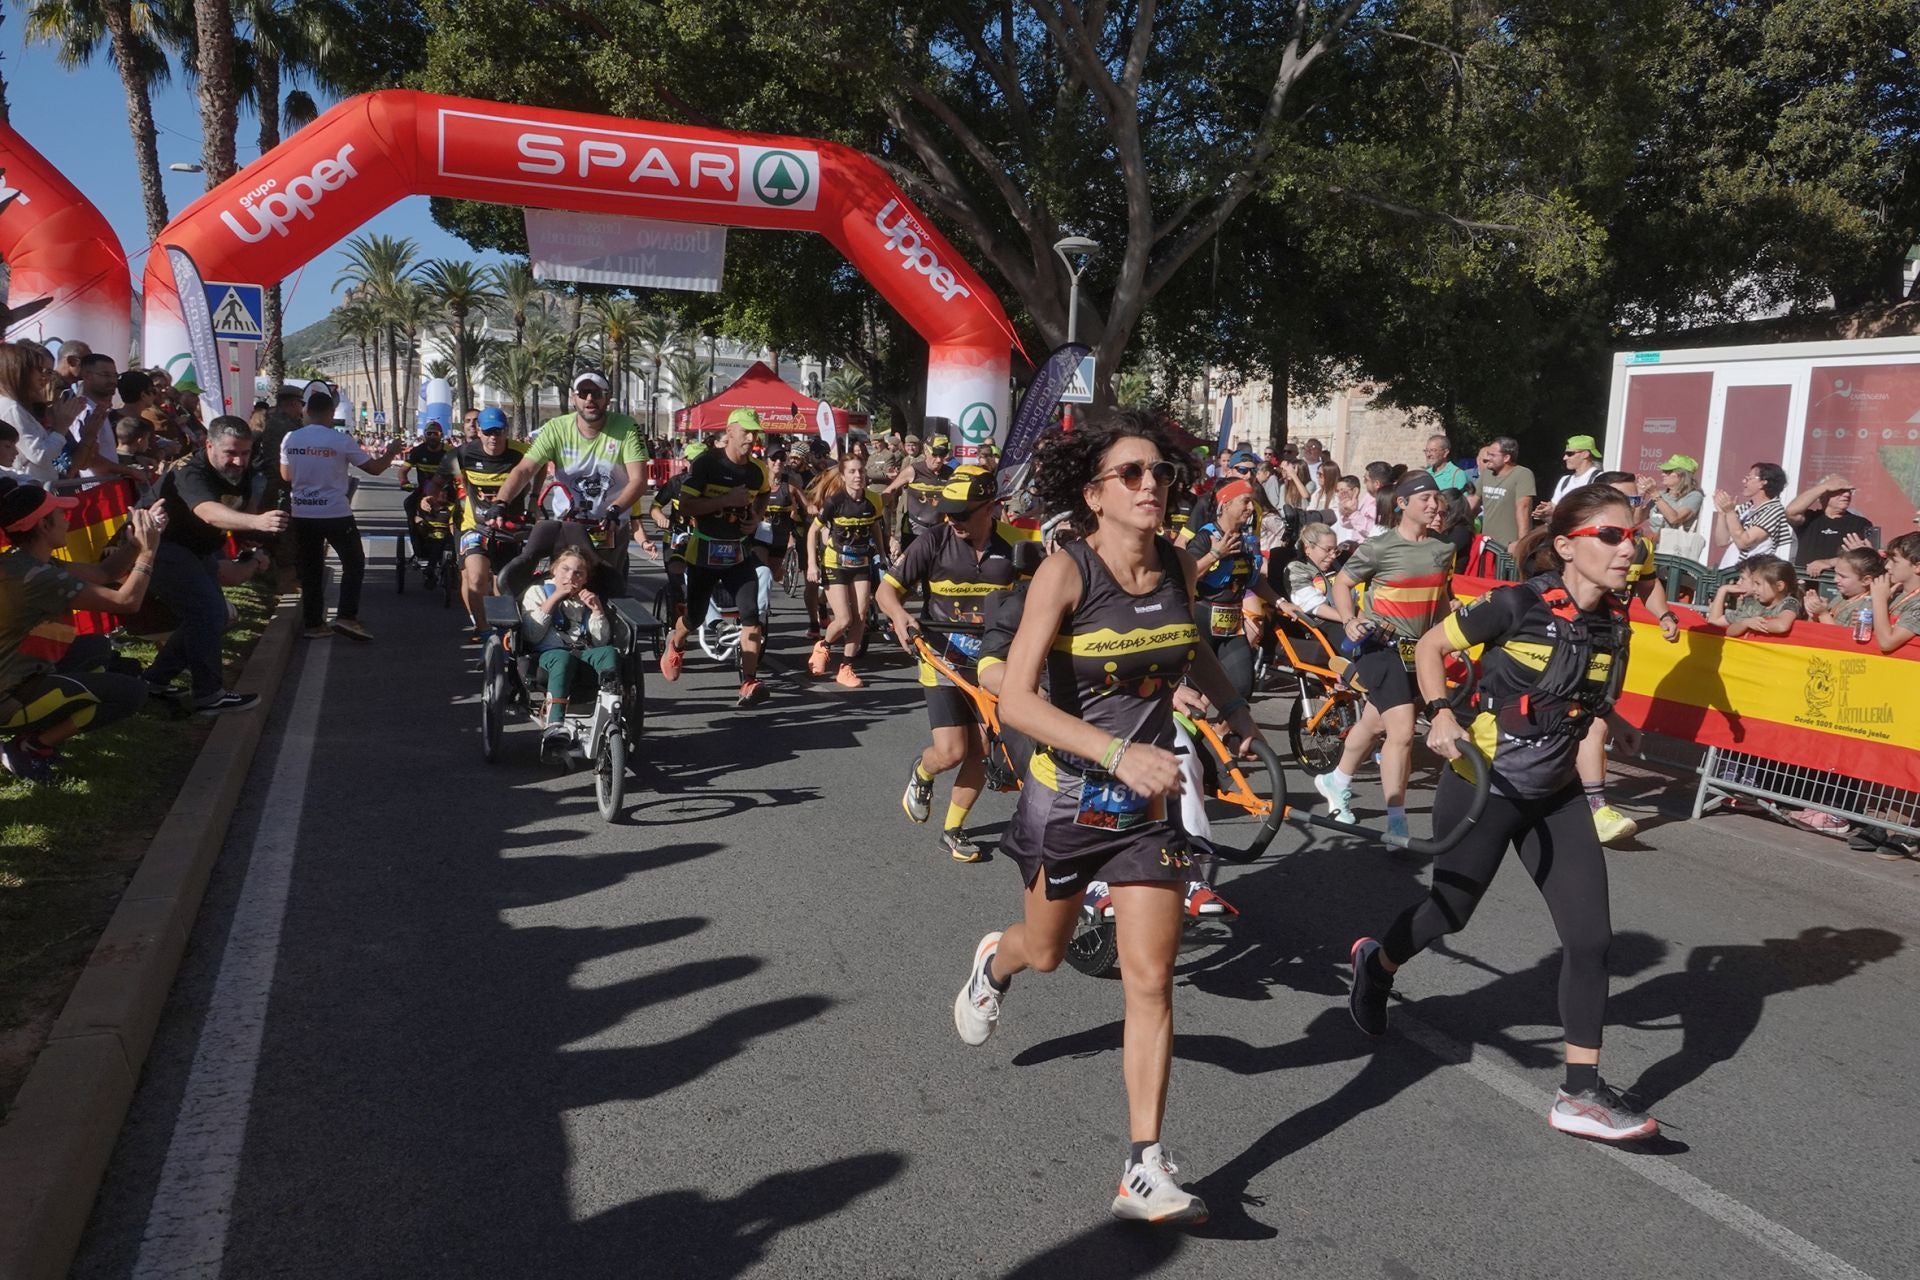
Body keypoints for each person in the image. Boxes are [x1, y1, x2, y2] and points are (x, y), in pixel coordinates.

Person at [949, 411, 1263, 1225]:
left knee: (1151, 981)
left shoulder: (1178, 566)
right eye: (1132, 474)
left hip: (1146, 813)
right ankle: (996, 962)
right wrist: (1117, 753)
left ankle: (1142, 1166)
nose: (1152, 484)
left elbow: (1188, 645)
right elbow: (1014, 699)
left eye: (1159, 472)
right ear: (1095, 495)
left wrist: (1235, 711)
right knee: (1046, 953)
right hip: (1067, 799)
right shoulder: (1065, 571)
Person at [1350, 482, 1658, 1143]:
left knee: (1591, 941)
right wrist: (1438, 718)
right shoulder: (1517, 603)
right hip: (1483, 782)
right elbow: (1432, 647)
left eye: (1634, 536)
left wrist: (1616, 721)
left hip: (1557, 794)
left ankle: (1580, 1092)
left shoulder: (1615, 620)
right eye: (1612, 535)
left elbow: (1581, 689)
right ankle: (1377, 965)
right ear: (1570, 545)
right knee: (1450, 913)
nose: (1628, 547)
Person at [878, 466, 1019, 862]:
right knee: (952, 751)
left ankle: (953, 829)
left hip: (989, 663)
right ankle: (923, 771)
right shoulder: (934, 540)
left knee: (980, 750)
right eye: (949, 511)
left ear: (990, 508)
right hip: (940, 658)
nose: (952, 520)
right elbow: (886, 591)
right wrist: (900, 616)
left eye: (962, 512)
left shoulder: (1013, 550)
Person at [1313, 471, 1457, 842]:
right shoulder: (1380, 546)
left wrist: (1449, 633)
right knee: (1403, 732)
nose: (1433, 504)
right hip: (1379, 646)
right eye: (1423, 498)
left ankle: (1336, 779)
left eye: (1435, 498)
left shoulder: (1443, 550)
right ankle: (1397, 820)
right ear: (1402, 504)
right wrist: (1348, 620)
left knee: (1375, 723)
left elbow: (1439, 598)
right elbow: (1343, 583)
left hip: (1419, 652)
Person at [0, 483, 164, 783]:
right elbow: (127, 602)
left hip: (18, 675)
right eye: (59, 513)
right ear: (43, 524)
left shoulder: (23, 561)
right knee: (132, 693)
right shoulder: (38, 577)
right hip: (8, 697)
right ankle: (31, 746)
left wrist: (136, 543)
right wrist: (148, 554)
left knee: (95, 648)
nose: (67, 519)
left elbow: (103, 574)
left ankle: (33, 731)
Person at [144, 416, 285, 712]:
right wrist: (256, 521)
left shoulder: (246, 470)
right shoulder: (189, 471)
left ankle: (154, 681)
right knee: (207, 611)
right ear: (209, 445)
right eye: (231, 453)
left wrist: (249, 535)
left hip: (197, 548)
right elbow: (208, 511)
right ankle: (209, 695)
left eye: (244, 453)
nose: (238, 461)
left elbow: (237, 507)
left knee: (214, 615)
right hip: (160, 545)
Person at [491, 371, 651, 601]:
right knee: (566, 588)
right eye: (583, 393)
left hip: (609, 528)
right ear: (573, 399)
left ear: (607, 397)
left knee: (605, 593)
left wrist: (615, 509)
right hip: (568, 526)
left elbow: (638, 479)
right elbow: (525, 470)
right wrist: (500, 502)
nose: (589, 399)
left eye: (596, 393)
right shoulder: (556, 428)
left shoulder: (626, 427)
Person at [659, 409, 771, 706]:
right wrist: (726, 501)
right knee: (694, 617)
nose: (751, 437)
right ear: (730, 431)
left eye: (755, 432)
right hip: (705, 551)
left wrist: (756, 517)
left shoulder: (757, 470)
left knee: (751, 617)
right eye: (746, 432)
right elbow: (686, 505)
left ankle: (748, 681)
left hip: (738, 553)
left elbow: (764, 493)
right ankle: (676, 641)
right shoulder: (707, 463)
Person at [281, 391, 401, 640]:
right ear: (331, 413)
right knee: (354, 563)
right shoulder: (339, 440)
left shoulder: (290, 438)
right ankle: (346, 616)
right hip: (334, 512)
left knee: (311, 569)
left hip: (302, 512)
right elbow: (375, 469)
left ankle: (314, 624)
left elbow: (286, 476)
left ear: (306, 412)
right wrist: (390, 453)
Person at [1181, 478, 1282, 703]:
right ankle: (1190, 736)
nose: (1250, 508)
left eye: (1252, 502)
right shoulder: (1205, 537)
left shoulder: (1246, 540)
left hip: (1232, 622)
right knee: (1193, 695)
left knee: (1242, 687)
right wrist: (1215, 554)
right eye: (1245, 502)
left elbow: (1254, 581)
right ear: (1225, 503)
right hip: (1202, 619)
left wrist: (1280, 602)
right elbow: (1186, 576)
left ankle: (1220, 732)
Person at [434, 406, 529, 639]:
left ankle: (502, 631)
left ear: (506, 431)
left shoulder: (522, 453)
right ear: (479, 431)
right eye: (488, 432)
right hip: (473, 525)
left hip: (508, 528)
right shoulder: (462, 454)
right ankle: (484, 630)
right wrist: (431, 497)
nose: (493, 438)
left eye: (498, 432)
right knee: (475, 578)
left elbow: (539, 469)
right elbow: (437, 481)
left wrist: (535, 499)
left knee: (501, 585)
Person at [519, 545, 617, 754]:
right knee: (562, 658)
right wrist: (554, 598)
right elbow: (532, 634)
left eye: (578, 573)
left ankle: (611, 712)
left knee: (610, 653)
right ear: (554, 570)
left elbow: (600, 643)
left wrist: (597, 612)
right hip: (547, 655)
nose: (571, 576)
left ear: (584, 580)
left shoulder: (584, 600)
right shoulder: (536, 592)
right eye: (565, 569)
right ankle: (555, 726)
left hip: (582, 652)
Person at [806, 452, 885, 688]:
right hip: (835, 563)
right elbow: (812, 532)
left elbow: (876, 528)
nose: (858, 476)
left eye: (861, 471)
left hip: (860, 562)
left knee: (861, 617)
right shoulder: (835, 501)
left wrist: (882, 554)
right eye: (852, 471)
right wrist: (812, 564)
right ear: (843, 475)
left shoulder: (873, 500)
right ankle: (824, 646)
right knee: (843, 619)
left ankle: (846, 667)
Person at [1786, 474, 1874, 574]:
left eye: (1849, 491)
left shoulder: (1860, 523)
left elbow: (1867, 558)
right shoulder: (1810, 519)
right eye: (1839, 490)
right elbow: (1790, 512)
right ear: (1823, 494)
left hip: (1838, 585)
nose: (1847, 495)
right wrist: (1824, 486)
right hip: (1805, 582)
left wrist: (1829, 562)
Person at [1713, 462, 1796, 567]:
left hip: (1749, 575)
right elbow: (1722, 541)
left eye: (1749, 478)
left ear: (1763, 482)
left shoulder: (1774, 510)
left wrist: (1730, 512)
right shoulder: (1746, 508)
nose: (1744, 481)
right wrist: (1722, 513)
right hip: (1727, 571)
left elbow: (1744, 542)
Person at [884, 431, 953, 555]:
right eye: (935, 454)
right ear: (926, 451)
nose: (938, 460)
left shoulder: (950, 473)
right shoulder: (913, 470)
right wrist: (890, 533)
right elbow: (888, 492)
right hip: (913, 533)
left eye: (943, 455)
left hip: (938, 532)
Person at [1707, 556, 1800, 636]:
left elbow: (1782, 625)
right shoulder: (1752, 605)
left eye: (1758, 584)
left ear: (1779, 586)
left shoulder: (1789, 603)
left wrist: (1755, 625)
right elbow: (1728, 630)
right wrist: (1745, 624)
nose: (1754, 588)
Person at [397, 420, 449, 561]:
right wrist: (404, 482)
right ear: (425, 436)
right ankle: (418, 547)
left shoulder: (449, 452)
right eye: (429, 433)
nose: (432, 436)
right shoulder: (418, 451)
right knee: (409, 504)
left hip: (446, 492)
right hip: (423, 491)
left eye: (436, 433)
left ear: (441, 436)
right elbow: (403, 471)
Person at [1866, 531, 1920, 654]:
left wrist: (1879, 599)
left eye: (1894, 561)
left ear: (1917, 567)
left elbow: (1887, 643)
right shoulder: (1895, 592)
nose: (1887, 566)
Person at [1476, 436, 1535, 546]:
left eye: (1492, 455)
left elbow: (1524, 508)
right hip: (1487, 544)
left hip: (1509, 545)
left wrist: (1522, 544)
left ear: (1506, 458)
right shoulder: (1486, 474)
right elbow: (1472, 503)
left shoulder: (1522, 474)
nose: (1488, 458)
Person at [1532, 434, 1601, 523]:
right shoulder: (1565, 480)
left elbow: (1596, 513)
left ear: (1585, 454)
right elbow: (1554, 520)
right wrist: (1545, 514)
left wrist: (1557, 512)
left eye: (1569, 454)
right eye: (1565, 454)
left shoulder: (1598, 478)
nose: (1564, 458)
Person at [1640, 454, 1703, 533]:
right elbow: (1636, 521)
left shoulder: (1694, 496)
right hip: (1653, 544)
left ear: (1682, 475)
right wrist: (1640, 495)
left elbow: (1674, 518)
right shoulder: (1660, 495)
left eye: (1668, 471)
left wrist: (1654, 493)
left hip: (1676, 544)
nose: (1663, 474)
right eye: (1663, 471)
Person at [1330, 474, 1377, 544]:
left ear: (1355, 491)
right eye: (1337, 491)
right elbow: (1347, 525)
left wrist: (1353, 513)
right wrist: (1346, 513)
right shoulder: (1359, 504)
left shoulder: (1372, 504)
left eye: (1343, 491)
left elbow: (1373, 531)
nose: (1339, 494)